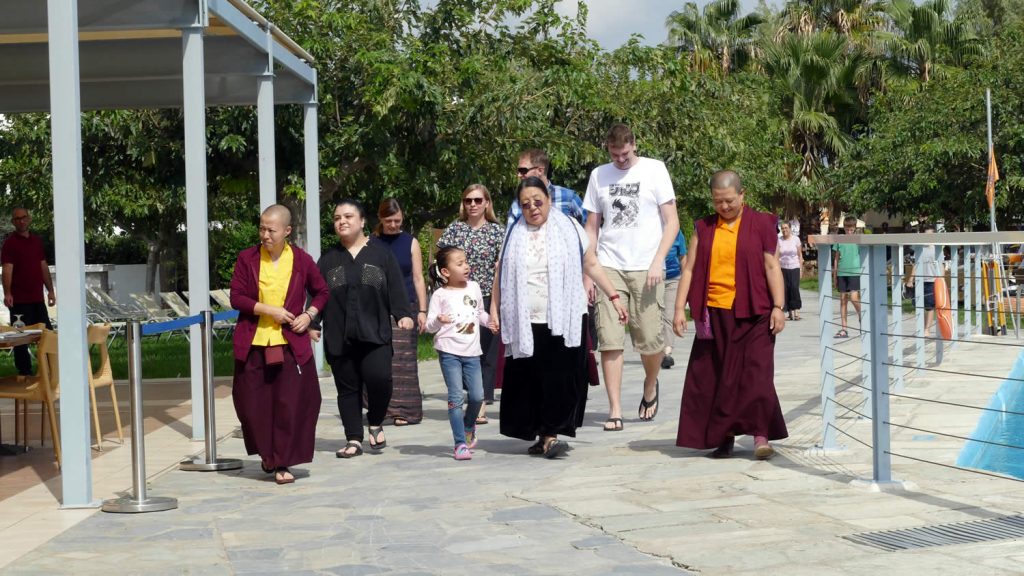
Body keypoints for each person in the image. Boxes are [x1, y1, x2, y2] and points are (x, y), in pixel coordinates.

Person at [491, 177, 627, 457]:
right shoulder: (513, 234)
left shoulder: (570, 228)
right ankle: (542, 434)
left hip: (564, 316)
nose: (533, 208)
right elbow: (501, 273)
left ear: (549, 200)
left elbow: (591, 264)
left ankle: (551, 435)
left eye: (538, 202)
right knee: (530, 379)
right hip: (525, 318)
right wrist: (494, 308)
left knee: (559, 378)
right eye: (526, 204)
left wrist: (613, 296)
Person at [673, 170, 788, 460]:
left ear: (742, 195)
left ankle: (760, 435)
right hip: (715, 313)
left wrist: (779, 306)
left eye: (728, 201)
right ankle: (724, 437)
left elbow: (772, 265)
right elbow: (689, 268)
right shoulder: (704, 228)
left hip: (755, 312)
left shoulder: (761, 224)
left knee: (757, 376)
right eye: (717, 202)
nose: (723, 207)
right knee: (718, 377)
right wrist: (678, 309)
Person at [582, 123, 680, 430]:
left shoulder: (655, 170)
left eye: (624, 154)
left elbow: (672, 222)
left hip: (647, 266)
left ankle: (650, 384)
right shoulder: (599, 175)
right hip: (609, 266)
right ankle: (614, 410)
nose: (620, 160)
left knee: (651, 341)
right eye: (614, 154)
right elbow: (592, 226)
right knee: (610, 340)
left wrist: (658, 260)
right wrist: (589, 270)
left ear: (634, 145)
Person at [229, 204, 328, 485]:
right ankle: (267, 453)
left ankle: (282, 461)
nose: (265, 234)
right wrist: (268, 310)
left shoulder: (301, 259)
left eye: (271, 230)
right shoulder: (247, 258)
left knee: (291, 403)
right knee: (251, 404)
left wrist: (309, 315)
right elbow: (237, 297)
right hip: (254, 342)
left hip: (289, 344)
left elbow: (321, 291)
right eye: (261, 228)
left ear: (286, 231)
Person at [317, 199, 414, 459]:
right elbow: (317, 294)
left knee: (380, 380)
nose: (342, 222)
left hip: (375, 332)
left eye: (348, 216)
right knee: (347, 389)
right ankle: (353, 439)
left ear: (361, 222)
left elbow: (395, 286)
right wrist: (314, 323)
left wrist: (403, 314)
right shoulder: (328, 259)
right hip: (339, 335)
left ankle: (375, 420)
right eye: (337, 218)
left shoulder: (381, 254)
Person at [437, 184, 505, 424]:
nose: (473, 205)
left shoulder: (497, 232)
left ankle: (483, 402)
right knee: (461, 348)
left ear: (487, 202)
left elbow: (503, 266)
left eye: (478, 200)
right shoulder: (455, 230)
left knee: (487, 351)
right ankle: (467, 394)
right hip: (457, 297)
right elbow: (439, 262)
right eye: (468, 200)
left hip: (488, 296)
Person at [425, 246, 490, 460]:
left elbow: (480, 313)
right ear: (445, 272)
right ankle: (460, 443)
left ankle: (468, 426)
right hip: (448, 351)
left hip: (472, 351)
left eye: (466, 262)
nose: (466, 266)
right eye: (459, 263)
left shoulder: (474, 287)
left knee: (478, 396)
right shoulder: (439, 294)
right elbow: (429, 326)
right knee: (455, 398)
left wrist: (491, 322)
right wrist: (438, 320)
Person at [373, 198, 427, 426]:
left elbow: (417, 277)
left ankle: (404, 410)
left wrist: (423, 310)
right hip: (378, 307)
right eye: (389, 221)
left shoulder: (411, 242)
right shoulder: (372, 242)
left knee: (404, 362)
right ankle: (380, 408)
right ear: (380, 219)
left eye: (397, 220)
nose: (393, 225)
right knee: (380, 360)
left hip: (406, 307)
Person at [1, 208, 55, 376]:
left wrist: (51, 291)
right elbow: (7, 270)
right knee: (20, 340)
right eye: (17, 219)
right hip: (19, 301)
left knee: (48, 335)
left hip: (37, 299)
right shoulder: (10, 244)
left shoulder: (37, 242)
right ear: (13, 222)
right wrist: (7, 293)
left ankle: (51, 371)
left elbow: (43, 266)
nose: (21, 221)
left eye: (23, 218)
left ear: (29, 219)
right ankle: (25, 373)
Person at [507, 148, 585, 227]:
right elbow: (511, 236)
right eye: (526, 205)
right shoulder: (517, 204)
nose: (519, 175)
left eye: (523, 171)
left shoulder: (568, 198)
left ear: (540, 171)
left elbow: (590, 229)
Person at [660, 231, 688, 369]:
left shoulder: (677, 233)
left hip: (673, 279)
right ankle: (655, 349)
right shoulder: (649, 227)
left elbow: (683, 258)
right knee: (655, 315)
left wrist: (686, 282)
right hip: (653, 278)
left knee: (668, 314)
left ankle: (667, 352)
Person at [909, 227, 942, 335]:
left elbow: (941, 265)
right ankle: (924, 327)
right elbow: (915, 264)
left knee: (930, 305)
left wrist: (942, 280)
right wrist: (911, 279)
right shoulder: (919, 247)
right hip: (919, 280)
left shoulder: (937, 248)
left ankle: (927, 329)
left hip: (932, 280)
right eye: (925, 234)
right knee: (920, 305)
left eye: (930, 234)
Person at [832, 216, 861, 338]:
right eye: (847, 228)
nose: (849, 231)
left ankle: (862, 317)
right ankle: (844, 328)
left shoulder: (858, 240)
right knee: (843, 300)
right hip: (842, 273)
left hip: (854, 272)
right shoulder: (839, 240)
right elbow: (836, 258)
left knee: (854, 298)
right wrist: (835, 275)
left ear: (855, 228)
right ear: (844, 228)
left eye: (852, 229)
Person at [777, 221, 803, 321]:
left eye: (786, 228)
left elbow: (800, 255)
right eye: (782, 228)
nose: (784, 230)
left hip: (794, 266)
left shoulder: (796, 239)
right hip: (783, 268)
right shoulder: (779, 240)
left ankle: (796, 311)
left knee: (794, 287)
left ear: (790, 228)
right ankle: (789, 312)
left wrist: (801, 269)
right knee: (786, 289)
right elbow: (777, 255)